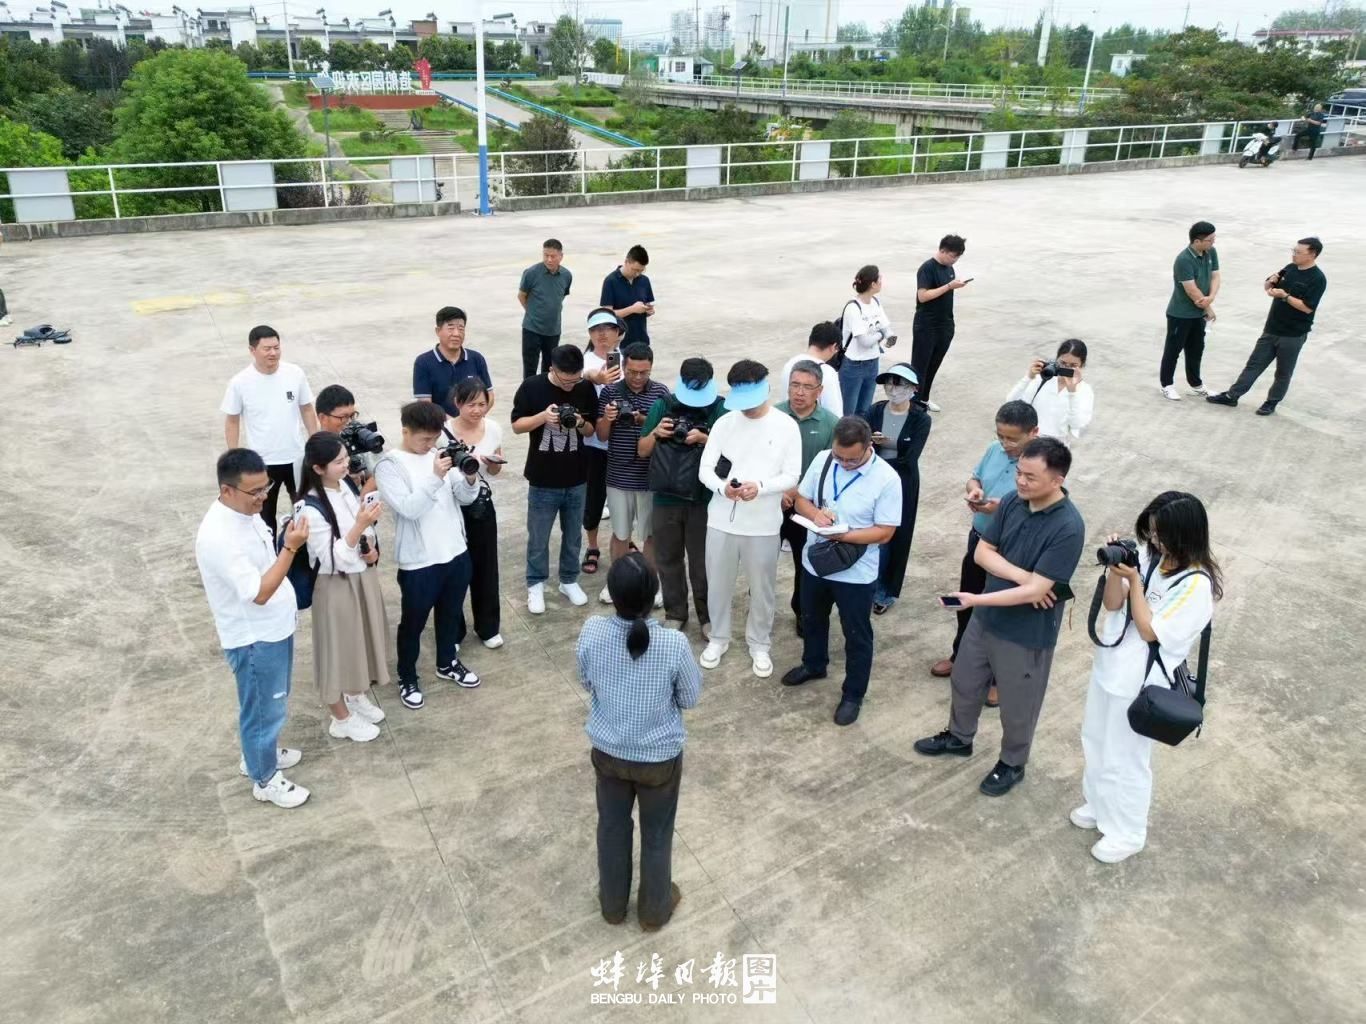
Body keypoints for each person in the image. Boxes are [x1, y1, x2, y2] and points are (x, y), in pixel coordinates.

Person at [914, 437, 1086, 797]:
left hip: (1025, 632)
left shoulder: (1068, 526)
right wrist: (1029, 579)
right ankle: (959, 737)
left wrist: (982, 597)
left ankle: (1012, 762)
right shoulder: (1012, 501)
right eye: (1019, 472)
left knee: (1019, 704)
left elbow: (1034, 595)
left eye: (1030, 477)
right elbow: (982, 553)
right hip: (986, 618)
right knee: (965, 681)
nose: (1020, 481)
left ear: (1057, 480)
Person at [1076, 492, 1221, 863]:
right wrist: (1117, 569)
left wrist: (1136, 584)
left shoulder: (1196, 585)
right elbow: (1112, 604)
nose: (1154, 540)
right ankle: (1099, 804)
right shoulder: (1148, 555)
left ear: (1185, 535)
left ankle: (1127, 832)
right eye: (1152, 532)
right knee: (1095, 740)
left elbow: (1150, 630)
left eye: (1161, 534)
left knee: (1127, 758)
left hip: (1142, 683)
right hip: (1110, 666)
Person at [577, 553, 701, 931]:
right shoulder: (673, 644)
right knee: (657, 834)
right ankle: (653, 911)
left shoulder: (592, 632)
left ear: (612, 595)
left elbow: (586, 680)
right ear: (654, 596)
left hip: (609, 754)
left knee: (612, 829)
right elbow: (689, 698)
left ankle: (612, 906)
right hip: (659, 761)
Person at [195, 448, 311, 808]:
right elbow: (259, 592)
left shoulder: (245, 512)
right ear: (227, 490)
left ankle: (261, 754)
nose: (263, 497)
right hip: (255, 639)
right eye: (255, 491)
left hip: (274, 628)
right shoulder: (220, 537)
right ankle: (264, 778)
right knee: (262, 711)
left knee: (271, 703)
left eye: (266, 487)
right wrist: (290, 549)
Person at [780, 416, 901, 726]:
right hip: (816, 563)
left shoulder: (887, 479)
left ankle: (853, 694)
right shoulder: (824, 460)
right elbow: (801, 499)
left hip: (855, 573)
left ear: (869, 447)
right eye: (839, 457)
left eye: (852, 460)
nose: (844, 463)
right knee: (812, 618)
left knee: (856, 634)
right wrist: (816, 516)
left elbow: (885, 532)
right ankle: (814, 664)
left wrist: (843, 536)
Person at [374, 401, 484, 711]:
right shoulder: (388, 466)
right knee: (413, 624)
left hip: (455, 552)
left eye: (435, 438)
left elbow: (464, 498)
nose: (430, 444)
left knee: (450, 614)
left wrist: (470, 477)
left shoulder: (439, 454)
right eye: (424, 438)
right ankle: (407, 676)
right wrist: (436, 476)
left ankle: (447, 662)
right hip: (419, 563)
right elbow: (408, 509)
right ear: (405, 431)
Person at [697, 360, 803, 677]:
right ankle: (718, 638)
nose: (746, 409)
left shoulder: (786, 426)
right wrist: (722, 488)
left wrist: (760, 487)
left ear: (766, 390)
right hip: (721, 519)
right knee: (718, 584)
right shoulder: (724, 423)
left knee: (762, 587)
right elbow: (705, 470)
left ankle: (759, 643)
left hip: (763, 524)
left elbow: (792, 475)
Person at [930, 401, 1039, 699]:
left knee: (1001, 612)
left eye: (1012, 438)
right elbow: (975, 476)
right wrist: (974, 489)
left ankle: (997, 678)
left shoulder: (1040, 463)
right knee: (967, 601)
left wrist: (1002, 507)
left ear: (1033, 432)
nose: (1005, 443)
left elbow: (1041, 505)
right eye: (1000, 435)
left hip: (1010, 551)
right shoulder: (994, 449)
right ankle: (961, 656)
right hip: (979, 537)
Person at [295, 432, 390, 743]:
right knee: (335, 651)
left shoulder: (344, 484)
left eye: (346, 458)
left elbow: (362, 529)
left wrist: (371, 548)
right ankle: (341, 718)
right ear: (318, 467)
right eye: (338, 462)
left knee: (357, 643)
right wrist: (361, 526)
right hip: (335, 584)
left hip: (360, 575)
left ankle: (354, 694)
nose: (346, 465)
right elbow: (330, 558)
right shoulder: (309, 507)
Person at [510, 344, 601, 614]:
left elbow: (591, 430)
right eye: (566, 380)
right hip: (542, 478)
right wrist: (542, 417)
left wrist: (579, 422)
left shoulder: (584, 388)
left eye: (576, 379)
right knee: (538, 537)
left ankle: (569, 579)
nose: (571, 385)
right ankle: (535, 583)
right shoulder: (532, 387)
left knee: (573, 536)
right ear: (552, 369)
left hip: (577, 477)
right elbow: (516, 426)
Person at [639, 358, 727, 634]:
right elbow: (642, 450)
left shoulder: (720, 408)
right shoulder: (663, 405)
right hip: (666, 497)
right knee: (667, 558)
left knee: (703, 563)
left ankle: (707, 617)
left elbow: (731, 455)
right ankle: (675, 612)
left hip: (703, 499)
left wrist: (704, 439)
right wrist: (656, 432)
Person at [1205, 237, 1328, 417]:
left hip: (1293, 335)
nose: (1294, 255)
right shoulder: (1290, 268)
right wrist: (1270, 282)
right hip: (1271, 328)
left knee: (1283, 372)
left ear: (1312, 254)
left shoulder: (1318, 278)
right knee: (1253, 365)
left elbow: (1307, 308)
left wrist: (1285, 296)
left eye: (1298, 252)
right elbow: (1268, 287)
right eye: (1293, 250)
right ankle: (1232, 396)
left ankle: (1271, 402)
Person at [221, 325, 319, 539]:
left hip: (296, 458)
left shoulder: (294, 373)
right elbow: (232, 421)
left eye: (276, 347)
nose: (273, 353)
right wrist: (235, 457)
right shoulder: (240, 382)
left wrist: (315, 442)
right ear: (252, 350)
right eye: (267, 349)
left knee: (306, 510)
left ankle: (303, 553)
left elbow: (307, 409)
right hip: (262, 464)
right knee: (264, 518)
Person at [596, 343, 671, 602]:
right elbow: (601, 435)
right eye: (632, 372)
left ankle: (651, 584)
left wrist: (643, 419)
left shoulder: (661, 392)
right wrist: (608, 418)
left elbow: (667, 430)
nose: (638, 377)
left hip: (650, 476)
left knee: (651, 535)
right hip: (618, 475)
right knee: (620, 533)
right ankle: (615, 584)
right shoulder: (610, 391)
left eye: (644, 372)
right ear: (623, 366)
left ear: (651, 368)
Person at [775, 360, 839, 636]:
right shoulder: (773, 415)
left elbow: (828, 470)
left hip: (806, 507)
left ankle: (802, 611)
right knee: (762, 561)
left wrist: (796, 491)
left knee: (805, 563)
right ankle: (761, 608)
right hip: (772, 501)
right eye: (795, 385)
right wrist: (778, 490)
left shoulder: (831, 424)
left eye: (807, 387)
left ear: (819, 391)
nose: (799, 392)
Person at [444, 377, 507, 649]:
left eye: (482, 404)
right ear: (457, 403)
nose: (477, 410)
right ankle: (453, 630)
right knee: (454, 570)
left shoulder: (493, 428)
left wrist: (493, 463)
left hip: (481, 505)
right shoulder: (443, 432)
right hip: (450, 507)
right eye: (471, 404)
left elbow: (495, 470)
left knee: (486, 567)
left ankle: (488, 626)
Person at [868, 363, 932, 615]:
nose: (893, 390)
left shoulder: (920, 419)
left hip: (902, 482)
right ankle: (866, 583)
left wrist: (886, 445)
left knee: (895, 536)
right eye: (889, 384)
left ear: (913, 389)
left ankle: (885, 590)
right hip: (872, 479)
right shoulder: (875, 410)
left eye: (900, 385)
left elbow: (910, 457)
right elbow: (862, 442)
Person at [581, 308, 626, 577]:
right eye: (596, 329)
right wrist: (595, 377)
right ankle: (593, 545)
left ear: (617, 332)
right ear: (589, 333)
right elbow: (581, 374)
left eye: (607, 329)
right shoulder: (584, 360)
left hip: (622, 441)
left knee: (623, 496)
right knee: (594, 497)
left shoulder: (626, 359)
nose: (602, 334)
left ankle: (623, 540)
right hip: (594, 444)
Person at [1159, 222, 1218, 401]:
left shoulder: (1211, 252)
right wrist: (1208, 307)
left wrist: (1211, 297)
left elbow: (1216, 276)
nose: (1213, 242)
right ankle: (1166, 385)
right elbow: (1191, 290)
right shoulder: (1183, 260)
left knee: (1196, 349)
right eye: (1210, 240)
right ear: (1197, 241)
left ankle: (1196, 384)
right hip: (1181, 314)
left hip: (1198, 314)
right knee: (1173, 350)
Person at [912, 235, 968, 411]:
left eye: (958, 257)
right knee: (920, 366)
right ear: (942, 250)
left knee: (934, 364)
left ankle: (924, 399)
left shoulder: (949, 268)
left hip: (945, 325)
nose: (954, 260)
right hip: (926, 325)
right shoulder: (927, 268)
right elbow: (923, 296)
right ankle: (914, 404)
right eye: (953, 256)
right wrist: (949, 286)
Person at [1004, 339, 1095, 444]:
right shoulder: (1043, 379)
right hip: (1031, 441)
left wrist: (1072, 393)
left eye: (1073, 365)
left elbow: (1077, 424)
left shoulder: (1085, 390)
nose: (1066, 368)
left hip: (1057, 446)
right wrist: (1028, 377)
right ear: (1056, 360)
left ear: (1082, 365)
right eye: (1063, 363)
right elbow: (1010, 402)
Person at [413, 306, 494, 418]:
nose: (456, 333)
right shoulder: (423, 362)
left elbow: (489, 395)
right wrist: (455, 424)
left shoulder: (476, 358)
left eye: (461, 329)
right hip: (440, 426)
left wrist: (474, 417)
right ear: (438, 331)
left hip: (473, 423)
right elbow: (426, 405)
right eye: (450, 328)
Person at [837, 264, 894, 419]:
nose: (881, 282)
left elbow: (885, 326)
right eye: (879, 279)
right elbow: (864, 341)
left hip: (872, 362)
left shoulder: (875, 302)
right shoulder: (854, 308)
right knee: (848, 412)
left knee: (864, 410)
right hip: (853, 365)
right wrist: (881, 335)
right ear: (873, 284)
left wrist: (888, 335)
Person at [518, 238, 573, 379]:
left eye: (553, 256)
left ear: (561, 256)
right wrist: (533, 312)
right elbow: (522, 295)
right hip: (532, 329)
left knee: (549, 368)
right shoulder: (531, 273)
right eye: (546, 255)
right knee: (530, 368)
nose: (549, 259)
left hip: (553, 330)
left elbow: (560, 296)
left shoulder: (566, 275)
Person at [315, 384, 379, 494]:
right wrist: (345, 482)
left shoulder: (358, 437)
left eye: (352, 416)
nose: (349, 422)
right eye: (343, 417)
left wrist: (362, 493)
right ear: (323, 418)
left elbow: (378, 474)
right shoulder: (312, 453)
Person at [780, 322, 844, 418]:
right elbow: (834, 413)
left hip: (787, 421)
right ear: (833, 347)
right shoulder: (827, 372)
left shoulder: (789, 364)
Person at [601, 244, 655, 346]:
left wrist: (648, 311)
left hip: (641, 341)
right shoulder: (610, 281)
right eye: (635, 270)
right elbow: (607, 315)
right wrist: (632, 309)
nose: (638, 274)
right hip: (618, 343)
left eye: (641, 270)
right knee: (613, 359)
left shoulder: (644, 280)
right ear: (626, 262)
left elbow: (646, 308)